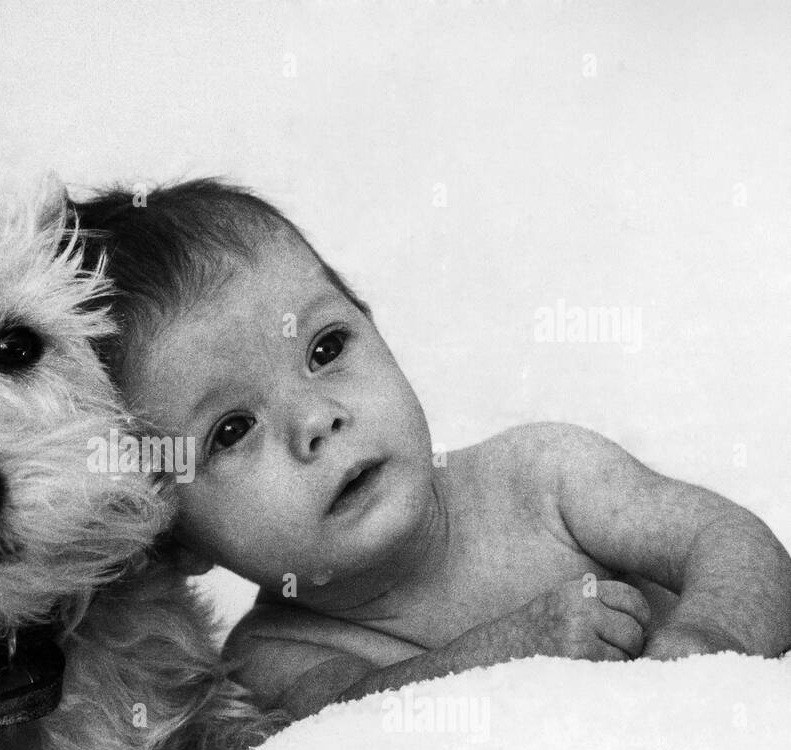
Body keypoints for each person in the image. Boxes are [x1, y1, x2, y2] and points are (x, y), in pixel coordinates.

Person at [73, 179, 791, 718]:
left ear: (376, 328)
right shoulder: (273, 657)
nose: (317, 421)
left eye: (326, 348)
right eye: (232, 430)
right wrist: (515, 647)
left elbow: (729, 537)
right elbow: (360, 725)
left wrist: (709, 640)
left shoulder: (542, 478)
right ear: (171, 530)